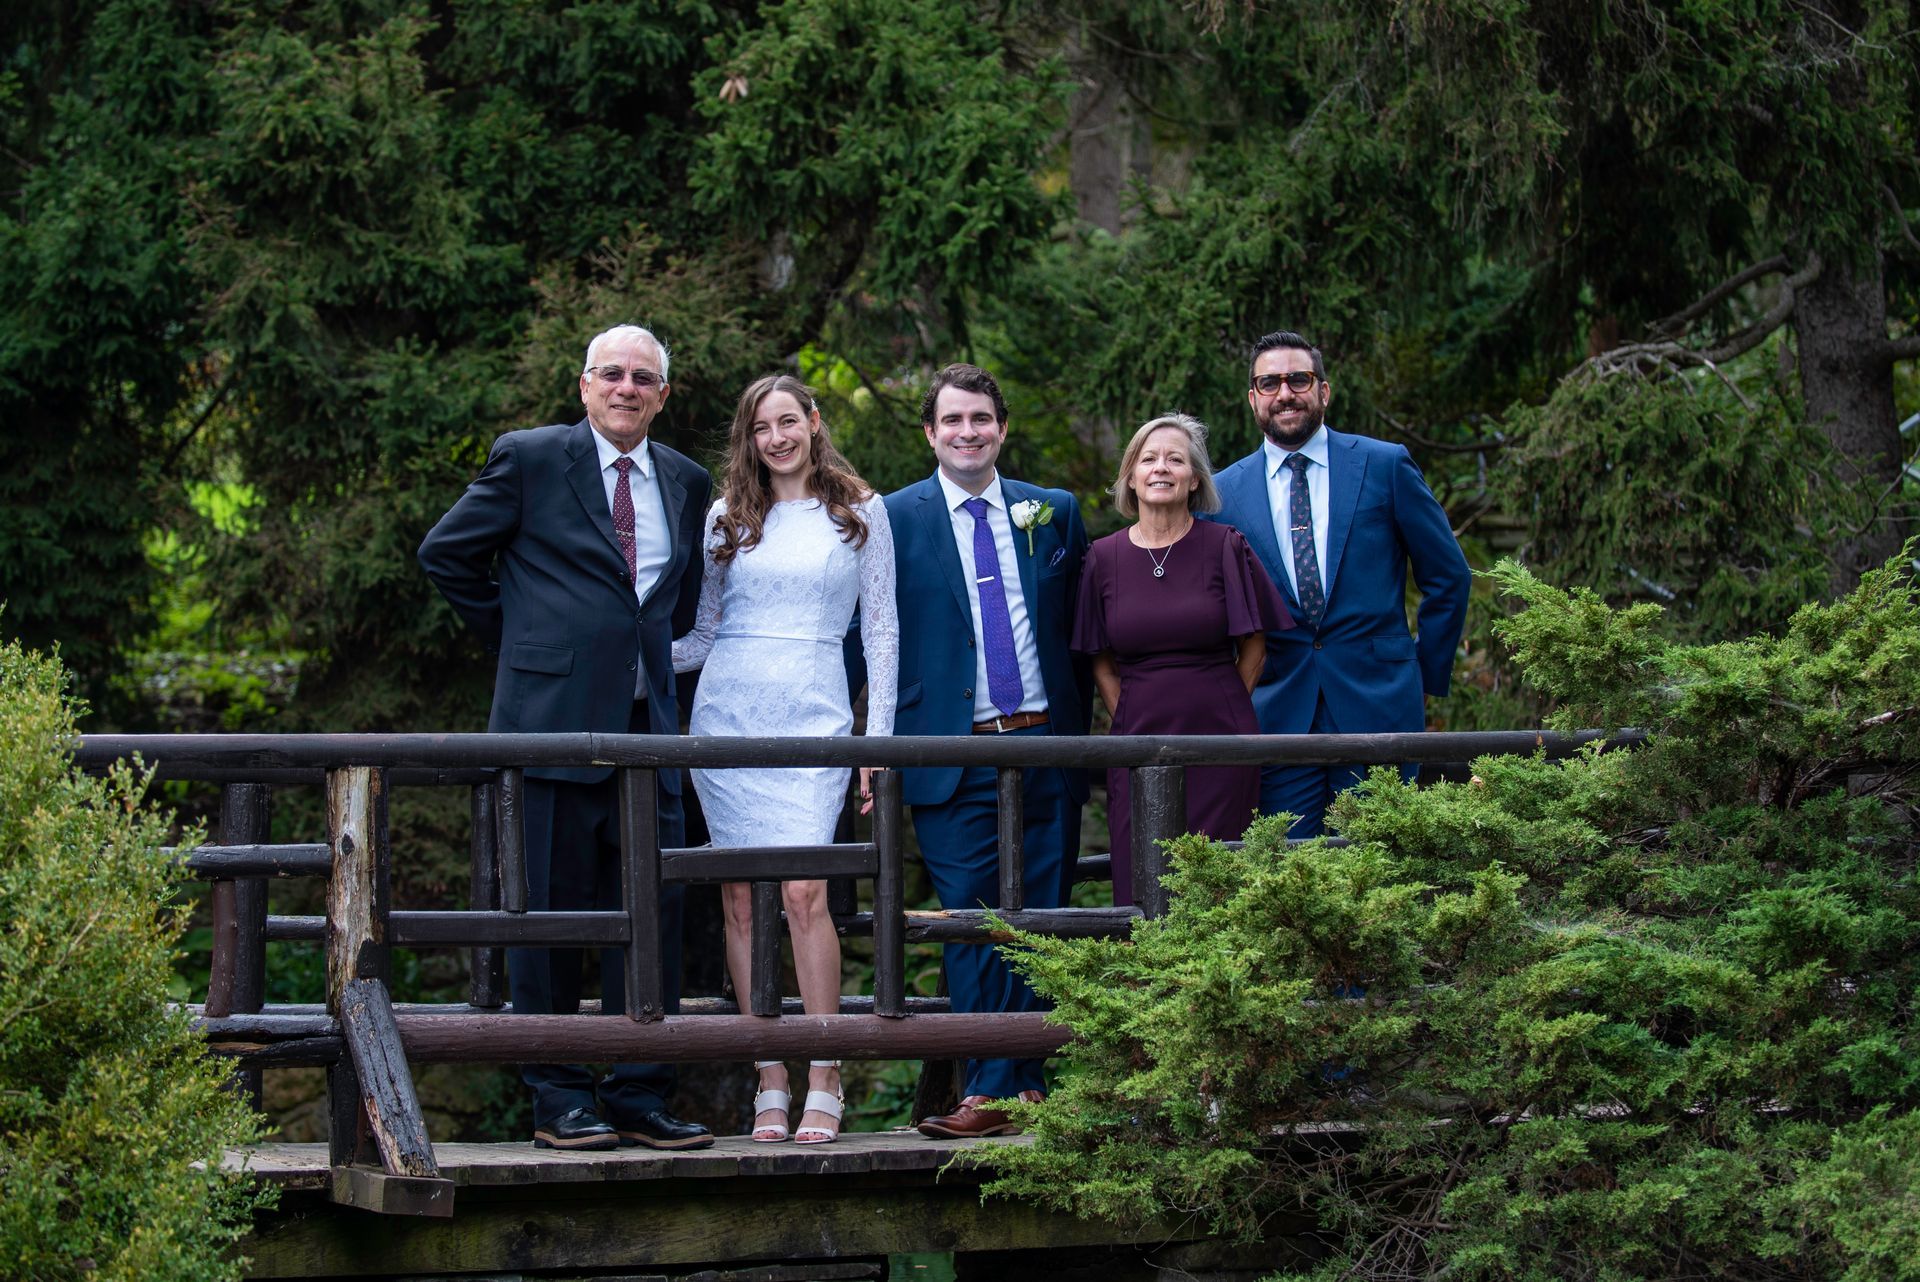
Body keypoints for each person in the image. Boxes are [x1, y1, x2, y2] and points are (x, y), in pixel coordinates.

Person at [418, 324, 714, 1153]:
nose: (626, 387)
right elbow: (445, 555)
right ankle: (558, 1096)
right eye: (611, 373)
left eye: (643, 377)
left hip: (645, 732)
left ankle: (638, 1090)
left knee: (652, 910)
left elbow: (674, 602)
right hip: (547, 728)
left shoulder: (686, 482)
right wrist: (527, 648)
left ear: (663, 394)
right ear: (584, 386)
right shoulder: (532, 457)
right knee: (544, 912)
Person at [671, 374, 896, 1146]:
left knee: (806, 892)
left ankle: (825, 1072)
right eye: (762, 427)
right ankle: (767, 1073)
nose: (778, 437)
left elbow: (881, 637)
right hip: (727, 713)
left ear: (813, 422)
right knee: (739, 899)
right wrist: (621, 654)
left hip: (815, 713)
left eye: (789, 421)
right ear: (749, 437)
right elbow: (702, 635)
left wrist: (878, 744)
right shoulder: (725, 519)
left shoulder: (860, 512)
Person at [885, 363, 1091, 1140]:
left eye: (981, 419)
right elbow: (871, 637)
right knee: (971, 920)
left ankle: (1027, 1084)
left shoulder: (1054, 512)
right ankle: (985, 1085)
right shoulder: (893, 517)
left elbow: (1077, 631)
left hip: (1045, 740)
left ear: (1001, 427)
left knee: (1041, 914)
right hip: (949, 746)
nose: (967, 432)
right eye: (952, 421)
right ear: (931, 433)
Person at [1202, 330, 1472, 838]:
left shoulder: (1384, 464)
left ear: (1324, 391)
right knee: (1292, 876)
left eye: (1298, 379)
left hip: (1381, 703)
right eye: (1269, 383)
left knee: (1382, 864)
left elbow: (1447, 575)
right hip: (1277, 712)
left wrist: (1425, 674)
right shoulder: (1224, 493)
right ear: (1253, 398)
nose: (1285, 393)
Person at [1073, 413, 1293, 903]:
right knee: (1144, 877)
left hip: (1221, 736)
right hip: (1137, 738)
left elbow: (1256, 643)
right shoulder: (1102, 558)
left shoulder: (1224, 546)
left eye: (1176, 459)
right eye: (1148, 458)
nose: (1161, 468)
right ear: (1131, 476)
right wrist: (1127, 712)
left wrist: (1228, 704)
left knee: (1217, 884)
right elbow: (1101, 659)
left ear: (1194, 478)